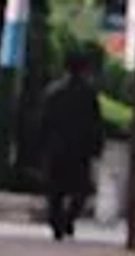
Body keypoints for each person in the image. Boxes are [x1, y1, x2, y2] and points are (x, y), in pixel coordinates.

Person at [40, 50, 105, 241]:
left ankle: (57, 223)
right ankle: (67, 219)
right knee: (81, 189)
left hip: (57, 147)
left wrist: (42, 145)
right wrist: (96, 147)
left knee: (55, 190)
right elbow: (95, 124)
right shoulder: (89, 94)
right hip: (79, 150)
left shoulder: (53, 92)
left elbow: (44, 121)